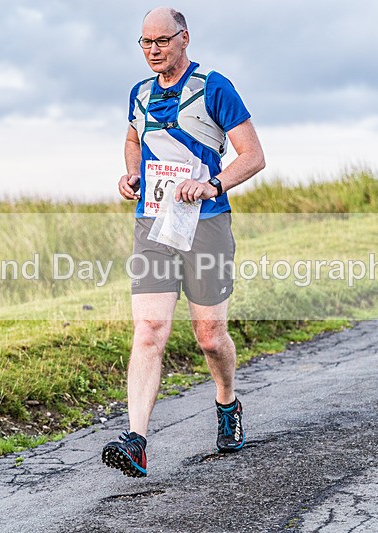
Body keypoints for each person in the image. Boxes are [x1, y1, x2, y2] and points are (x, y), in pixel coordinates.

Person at [102, 6, 265, 478]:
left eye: (162, 41)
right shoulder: (139, 93)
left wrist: (213, 184)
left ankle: (227, 402)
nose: (153, 50)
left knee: (209, 337)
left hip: (206, 224)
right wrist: (132, 174)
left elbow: (253, 156)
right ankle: (136, 441)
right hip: (154, 223)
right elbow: (133, 140)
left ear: (184, 38)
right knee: (149, 329)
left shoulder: (214, 87)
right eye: (145, 42)